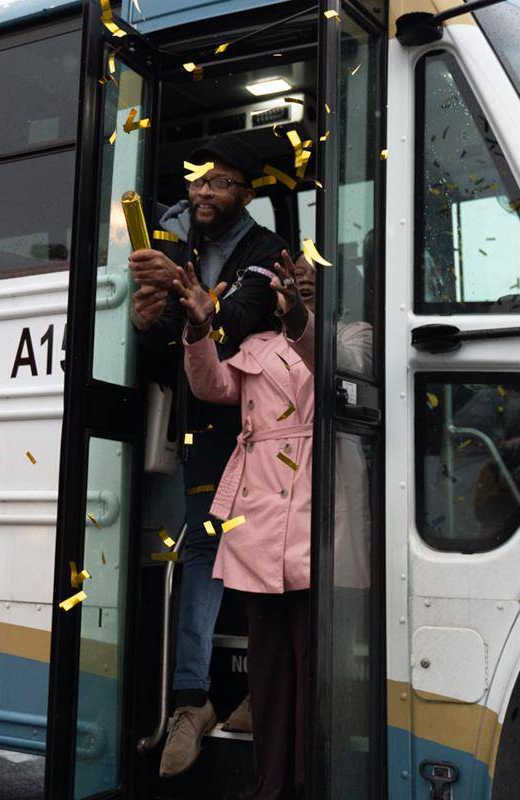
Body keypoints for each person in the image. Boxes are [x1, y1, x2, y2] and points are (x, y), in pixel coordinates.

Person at [128, 135, 287, 777]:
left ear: (246, 194)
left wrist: (189, 299)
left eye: (219, 183)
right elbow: (174, 337)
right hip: (204, 425)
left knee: (260, 549)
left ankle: (260, 694)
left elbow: (242, 320)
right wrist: (148, 320)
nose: (202, 192)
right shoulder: (182, 249)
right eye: (197, 182)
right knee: (202, 547)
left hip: (264, 429)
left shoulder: (266, 251)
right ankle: (191, 702)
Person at [175, 250, 314, 800]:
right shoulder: (255, 346)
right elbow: (211, 387)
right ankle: (269, 785)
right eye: (291, 273)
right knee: (268, 672)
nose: (297, 279)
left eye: (309, 272)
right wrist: (200, 326)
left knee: (312, 671)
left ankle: (308, 780)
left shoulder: (354, 334)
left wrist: (301, 317)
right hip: (256, 515)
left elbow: (331, 370)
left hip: (312, 506)